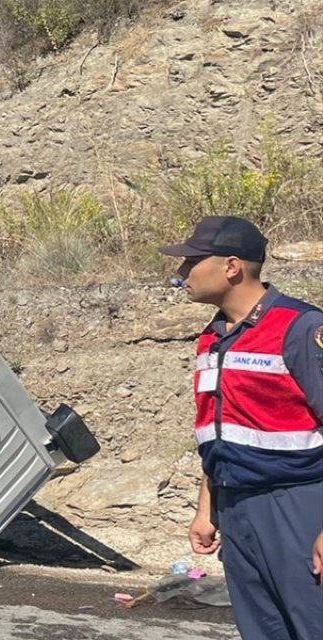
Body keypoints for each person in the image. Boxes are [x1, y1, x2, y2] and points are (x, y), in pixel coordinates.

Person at [160, 216, 323, 640]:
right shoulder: (211, 339)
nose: (180, 275)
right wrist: (206, 508)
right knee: (262, 629)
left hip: (298, 505)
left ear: (231, 267)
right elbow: (218, 433)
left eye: (191, 263)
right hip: (236, 509)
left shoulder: (300, 328)